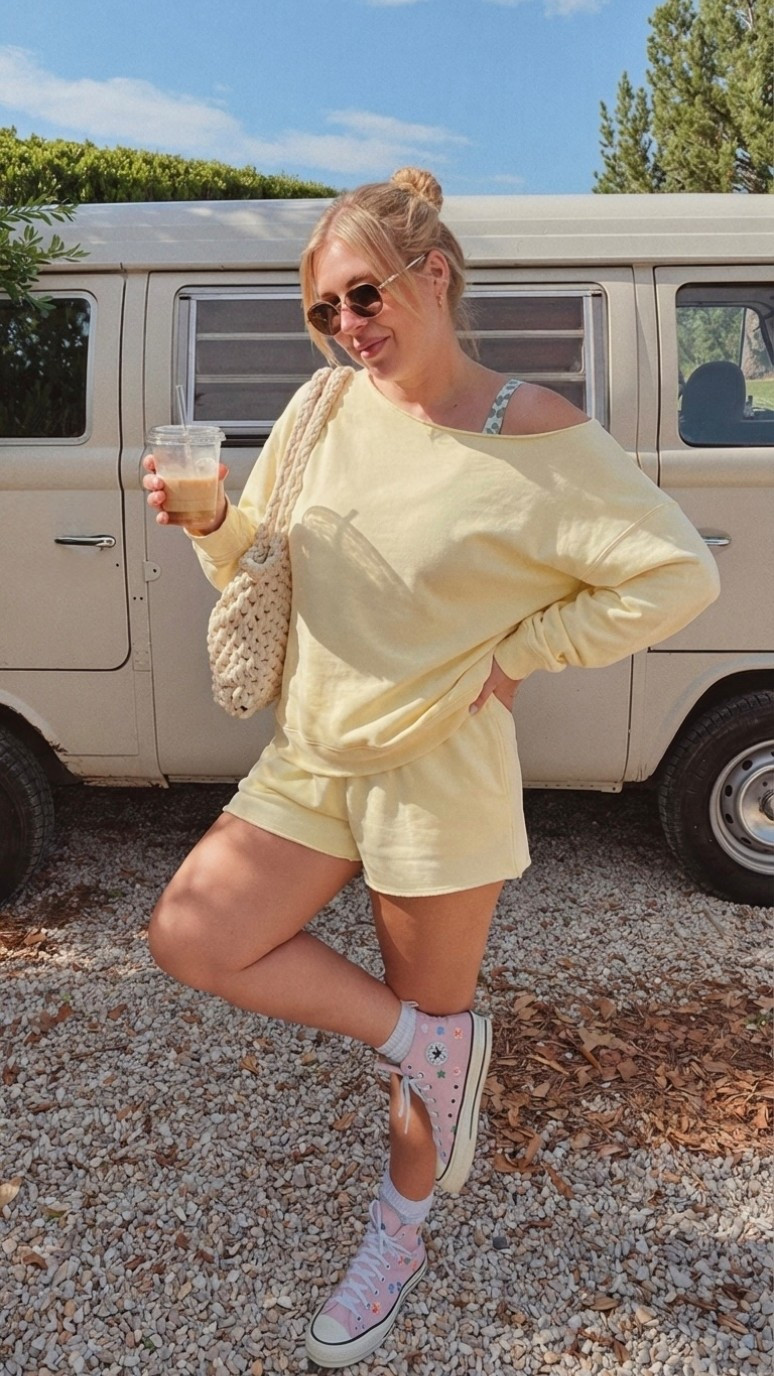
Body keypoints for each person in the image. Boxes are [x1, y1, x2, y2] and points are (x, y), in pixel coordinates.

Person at [143, 167, 719, 1368]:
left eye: (365, 294)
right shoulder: (326, 408)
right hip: (312, 750)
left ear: (432, 276)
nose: (348, 327)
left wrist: (521, 651)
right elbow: (273, 565)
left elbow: (678, 572)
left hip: (437, 775)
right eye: (325, 310)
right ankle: (425, 1040)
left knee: (424, 1084)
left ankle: (396, 1237)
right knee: (193, 935)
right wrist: (213, 525)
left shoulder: (539, 434)